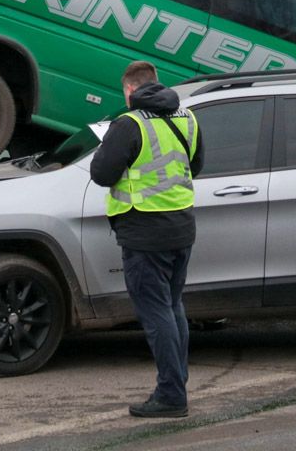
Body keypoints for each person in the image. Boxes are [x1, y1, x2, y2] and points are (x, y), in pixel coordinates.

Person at [90, 60, 203, 418]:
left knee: (156, 314)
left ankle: (171, 395)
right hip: (182, 228)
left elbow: (102, 174)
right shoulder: (187, 117)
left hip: (145, 234)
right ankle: (177, 383)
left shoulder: (129, 123)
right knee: (172, 307)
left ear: (129, 90)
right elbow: (194, 165)